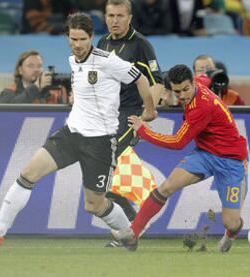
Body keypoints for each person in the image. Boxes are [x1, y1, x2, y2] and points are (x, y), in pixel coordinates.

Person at [0, 12, 156, 248]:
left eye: (82, 39)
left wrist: (150, 110)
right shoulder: (73, 61)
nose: (77, 45)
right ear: (67, 38)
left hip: (100, 142)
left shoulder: (107, 60)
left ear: (91, 37)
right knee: (28, 173)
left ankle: (128, 233)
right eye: (73, 39)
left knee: (94, 205)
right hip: (71, 134)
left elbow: (141, 79)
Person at [111, 64, 248, 252]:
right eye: (177, 91)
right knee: (166, 187)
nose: (182, 95)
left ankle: (230, 235)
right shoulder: (198, 82)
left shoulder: (201, 107)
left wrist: (143, 130)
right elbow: (206, 78)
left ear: (192, 83)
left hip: (231, 160)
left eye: (186, 89)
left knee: (231, 222)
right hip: (205, 154)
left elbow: (177, 142)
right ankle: (133, 234)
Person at [97, 0, 164, 244]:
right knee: (103, 176)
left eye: (119, 16)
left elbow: (157, 81)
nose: (114, 20)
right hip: (107, 114)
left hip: (131, 114)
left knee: (105, 168)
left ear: (130, 17)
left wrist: (149, 111)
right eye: (110, 15)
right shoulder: (102, 43)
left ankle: (129, 229)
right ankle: (130, 227)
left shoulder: (141, 45)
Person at [0, 50, 69, 104]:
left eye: (39, 66)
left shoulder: (54, 93)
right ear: (20, 70)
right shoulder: (9, 92)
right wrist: (37, 86)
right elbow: (7, 113)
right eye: (30, 66)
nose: (36, 70)